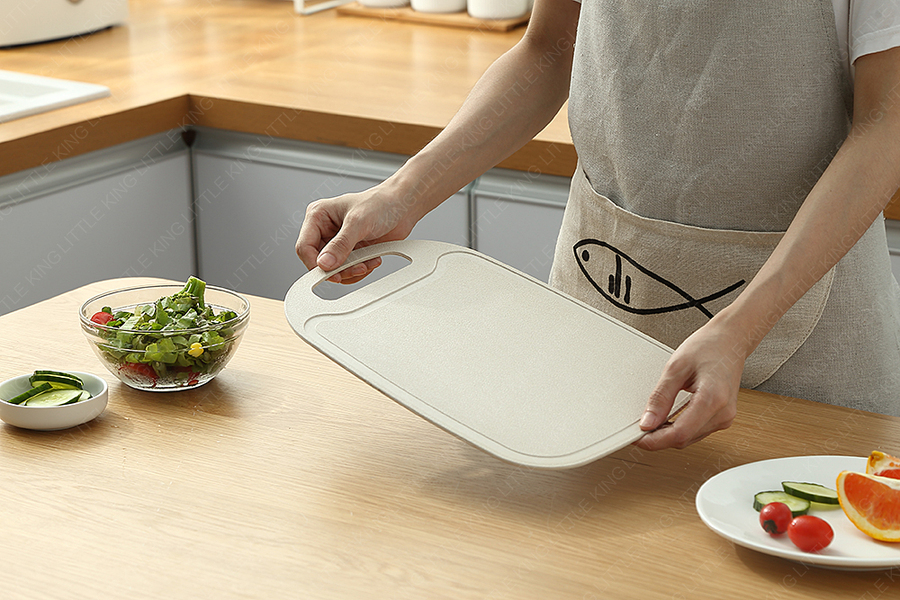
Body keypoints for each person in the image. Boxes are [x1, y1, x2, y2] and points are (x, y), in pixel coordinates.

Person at [296, 0, 900, 450]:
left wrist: (741, 330)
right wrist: (401, 196)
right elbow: (549, 51)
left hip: (805, 332)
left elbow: (887, 125)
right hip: (597, 310)